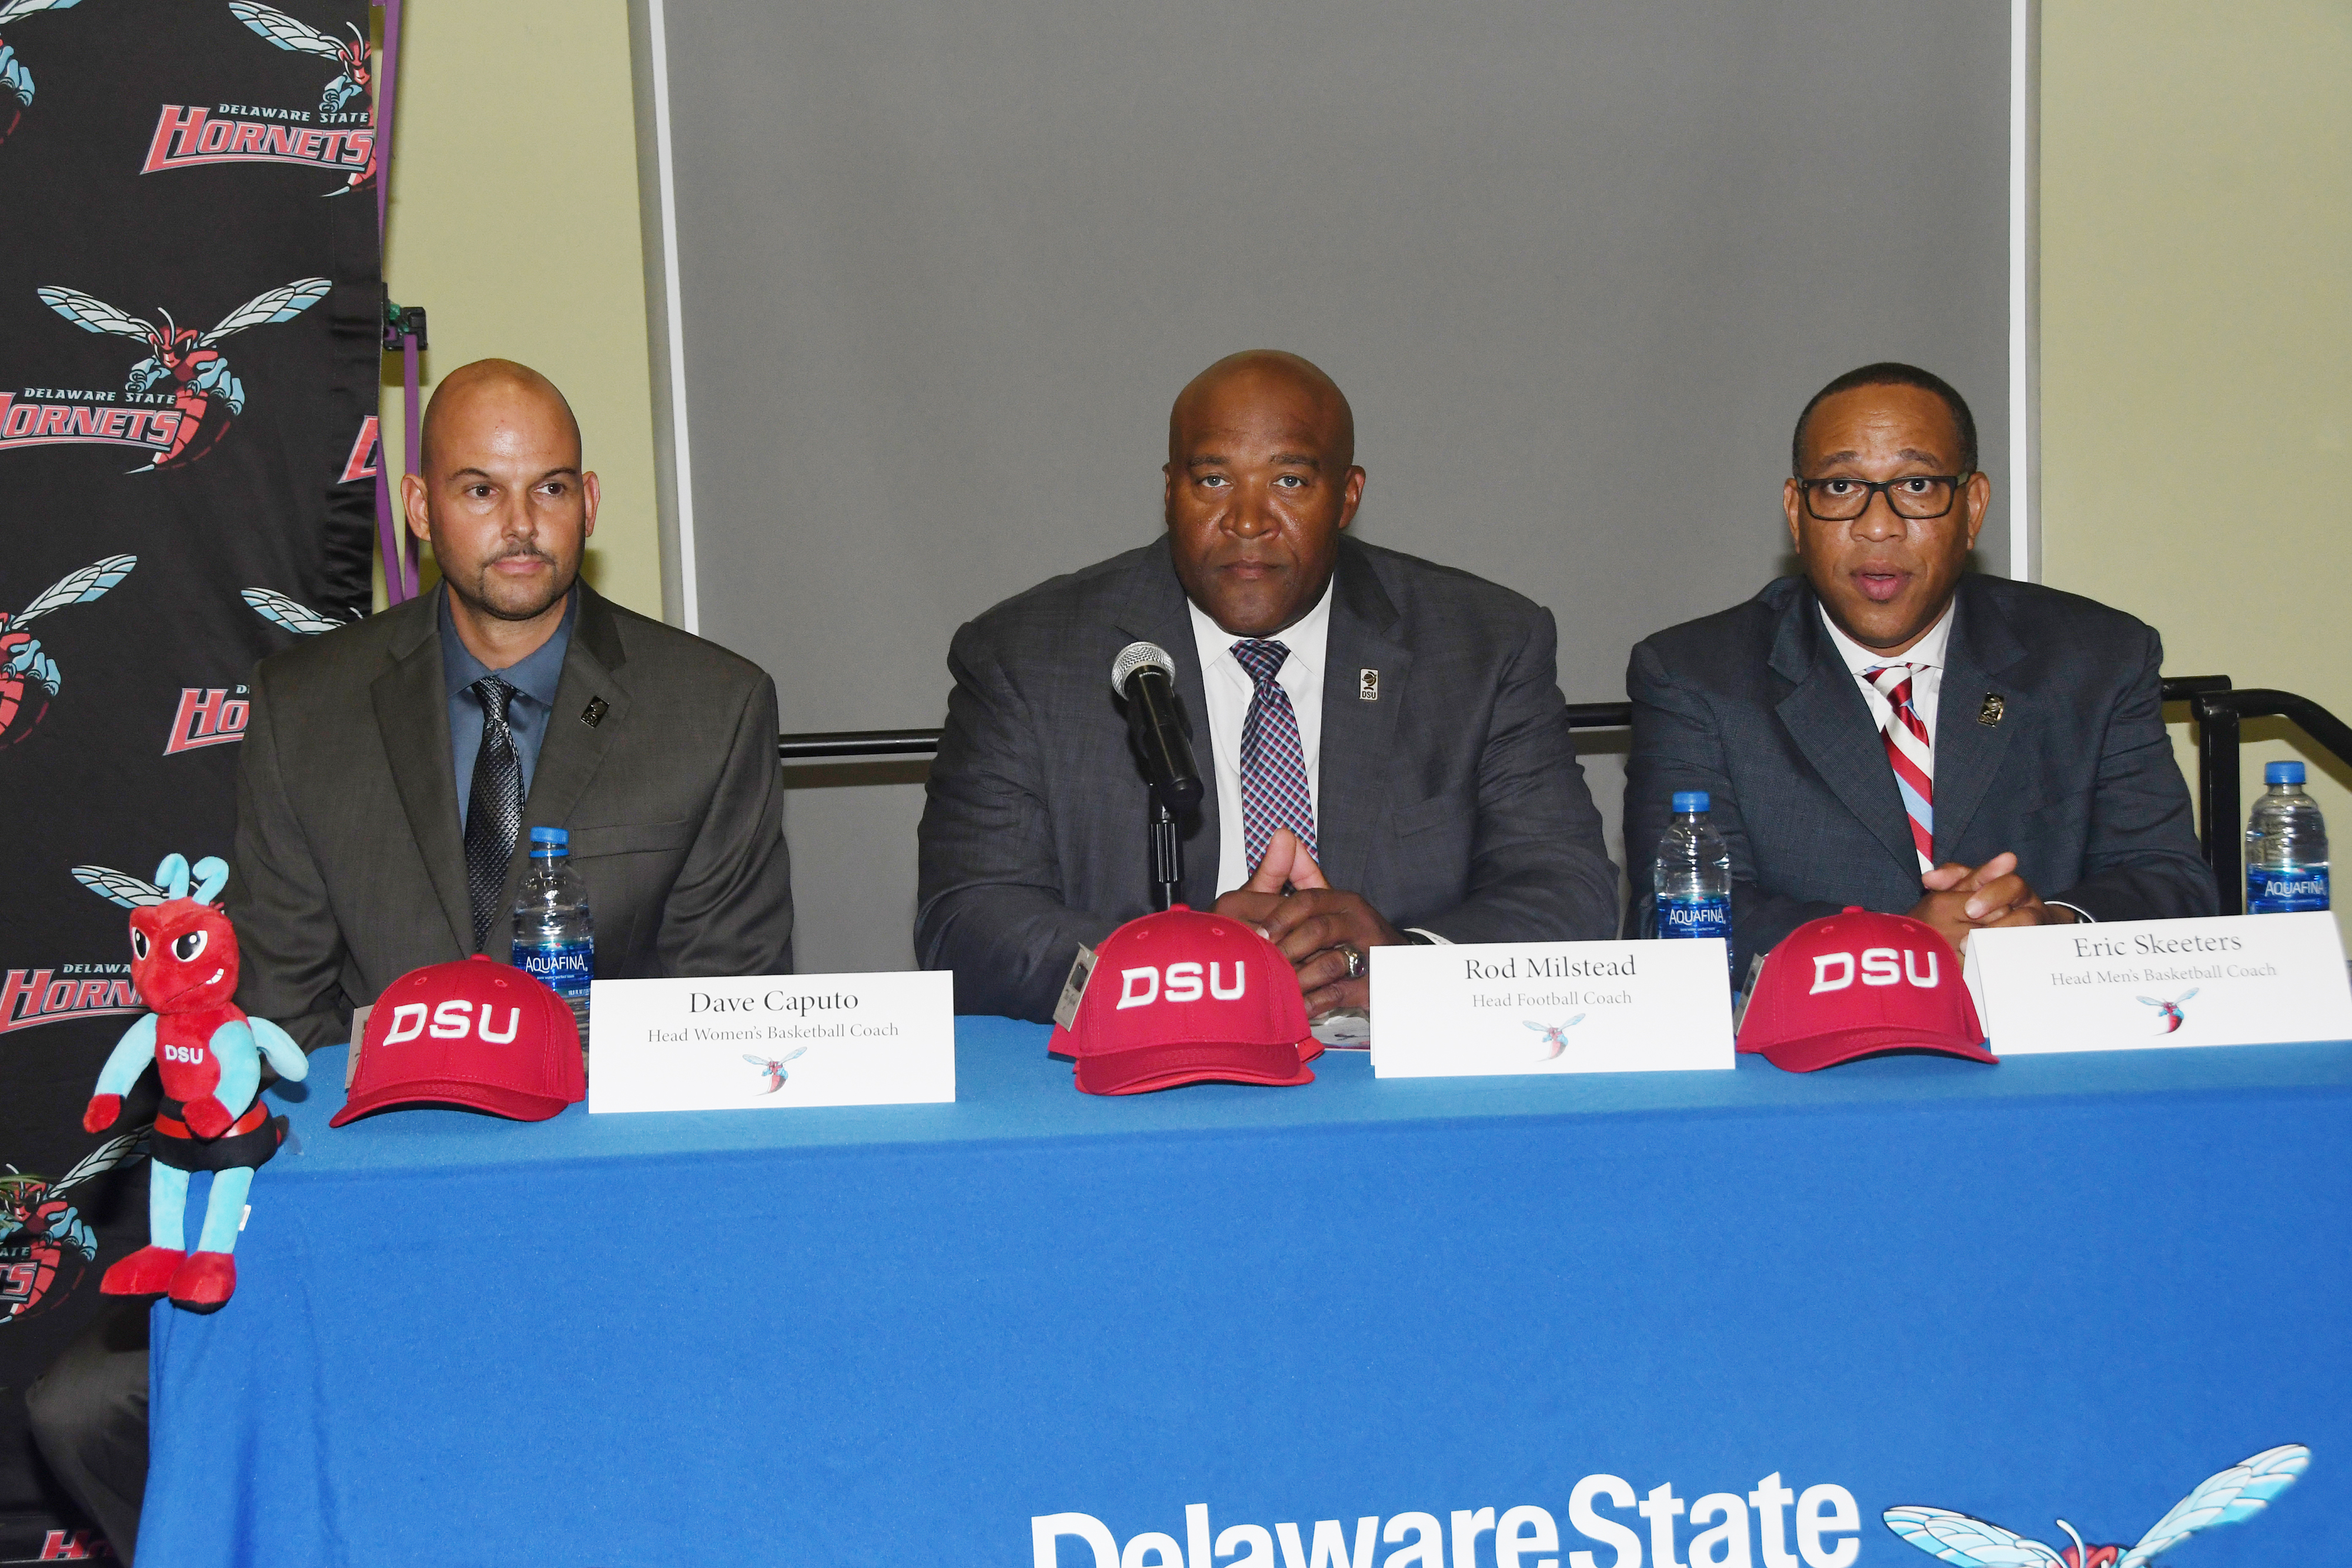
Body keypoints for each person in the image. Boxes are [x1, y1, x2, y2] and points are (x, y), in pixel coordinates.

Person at [26, 359, 795, 1556]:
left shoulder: (714, 707)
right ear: (423, 509)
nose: (521, 525)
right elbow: (282, 1013)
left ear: (590, 501)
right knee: (79, 1407)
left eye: (547, 489)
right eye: (481, 491)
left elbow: (723, 1013)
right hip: (358, 1200)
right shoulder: (305, 706)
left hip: (611, 1215)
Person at [918, 349, 1618, 1022]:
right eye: (1213, 480)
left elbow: (1567, 891)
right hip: (1148, 1086)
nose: (1247, 522)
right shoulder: (1028, 655)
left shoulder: (1480, 644)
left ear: (1346, 497)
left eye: (1289, 481)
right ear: (1169, 493)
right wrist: (1174, 970)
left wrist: (1409, 964)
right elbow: (967, 919)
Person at [1623, 362, 2213, 977]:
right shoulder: (1696, 677)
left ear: (1973, 506)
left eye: (1917, 486)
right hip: (1815, 1058)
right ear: (1796, 514)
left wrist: (2053, 926)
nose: (1878, 527)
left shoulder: (2093, 659)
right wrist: (1896, 943)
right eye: (1841, 488)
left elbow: (2169, 882)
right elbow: (1675, 918)